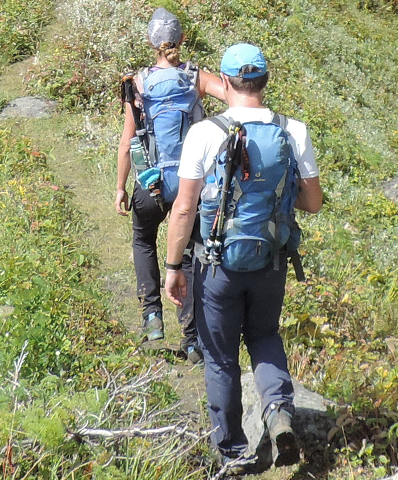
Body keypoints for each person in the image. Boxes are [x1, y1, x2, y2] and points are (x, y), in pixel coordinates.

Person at [164, 43, 323, 473]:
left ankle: (234, 451)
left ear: (226, 81)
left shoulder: (206, 132)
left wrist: (174, 267)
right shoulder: (295, 130)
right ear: (265, 81)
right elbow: (313, 203)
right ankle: (277, 412)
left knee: (220, 357)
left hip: (217, 265)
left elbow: (183, 207)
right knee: (265, 336)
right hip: (270, 261)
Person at [115, 8, 225, 362]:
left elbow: (127, 142)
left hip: (151, 184)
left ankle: (152, 316)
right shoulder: (195, 78)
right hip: (191, 187)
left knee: (142, 239)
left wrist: (120, 187)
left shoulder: (139, 84)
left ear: (151, 43)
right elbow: (233, 95)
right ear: (182, 40)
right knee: (189, 257)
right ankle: (192, 340)